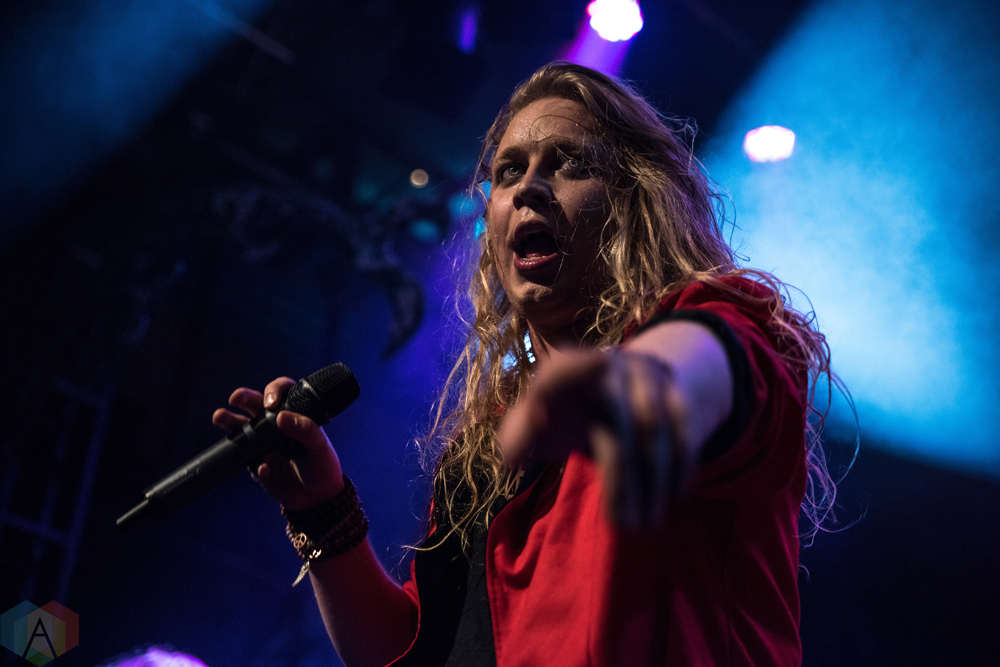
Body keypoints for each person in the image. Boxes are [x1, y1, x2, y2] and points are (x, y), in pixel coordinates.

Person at [213, 62, 837, 667]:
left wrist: (634, 384)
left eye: (571, 164)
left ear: (636, 202)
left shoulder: (725, 324)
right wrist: (319, 507)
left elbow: (705, 364)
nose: (528, 189)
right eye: (509, 171)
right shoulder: (485, 450)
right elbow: (410, 651)